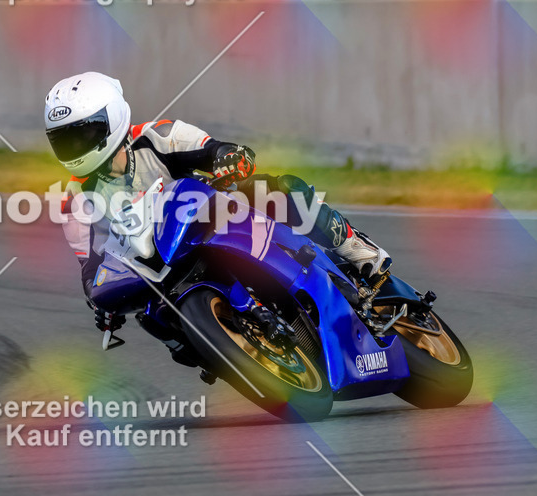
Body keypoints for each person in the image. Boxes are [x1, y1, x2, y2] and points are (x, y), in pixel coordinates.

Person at [45, 72, 390, 363]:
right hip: (159, 266)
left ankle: (355, 248)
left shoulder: (158, 137)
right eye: (65, 141)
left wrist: (230, 158)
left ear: (112, 119)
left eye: (84, 134)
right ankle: (218, 352)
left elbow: (215, 150)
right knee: (152, 318)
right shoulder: (74, 202)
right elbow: (92, 270)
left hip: (212, 221)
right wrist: (103, 302)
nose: (76, 148)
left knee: (280, 191)